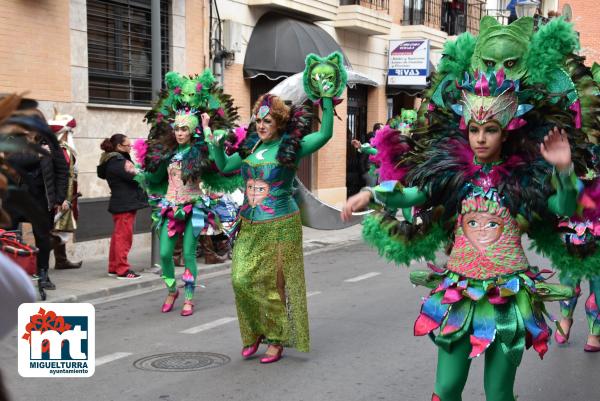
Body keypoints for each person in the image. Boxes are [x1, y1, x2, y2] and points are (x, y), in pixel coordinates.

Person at [341, 69, 583, 401]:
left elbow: (565, 206)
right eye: (474, 129)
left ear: (506, 132)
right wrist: (372, 194)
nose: (481, 138)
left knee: (498, 393)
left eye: (490, 130)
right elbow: (411, 195)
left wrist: (564, 168)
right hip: (460, 291)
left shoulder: (524, 180)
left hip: (507, 295)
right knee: (446, 388)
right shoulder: (453, 175)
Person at [205, 51, 345, 363]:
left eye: (267, 120)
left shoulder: (290, 147)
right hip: (250, 225)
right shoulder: (251, 147)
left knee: (273, 285)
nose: (261, 124)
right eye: (258, 120)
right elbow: (225, 165)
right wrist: (214, 143)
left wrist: (325, 97)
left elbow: (324, 134)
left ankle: (276, 338)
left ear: (279, 122)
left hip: (281, 223)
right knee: (241, 279)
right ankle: (255, 329)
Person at [3, 108, 68, 291]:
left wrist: (60, 197)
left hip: (41, 197)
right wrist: (36, 155)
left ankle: (43, 274)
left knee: (42, 238)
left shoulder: (51, 142)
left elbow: (62, 171)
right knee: (6, 234)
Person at [97, 133, 147, 280]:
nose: (130, 148)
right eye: (128, 145)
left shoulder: (111, 160)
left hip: (121, 202)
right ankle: (122, 270)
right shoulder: (119, 161)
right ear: (119, 146)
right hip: (125, 203)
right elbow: (137, 177)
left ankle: (114, 267)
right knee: (124, 238)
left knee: (118, 236)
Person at [48, 112, 82, 269]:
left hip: (64, 196)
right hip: (60, 197)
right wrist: (63, 199)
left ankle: (61, 260)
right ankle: (39, 264)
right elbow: (64, 177)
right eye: (69, 132)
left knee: (58, 229)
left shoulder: (61, 150)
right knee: (55, 228)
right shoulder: (62, 151)